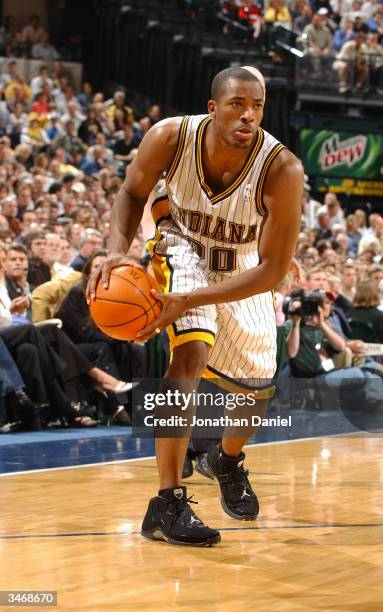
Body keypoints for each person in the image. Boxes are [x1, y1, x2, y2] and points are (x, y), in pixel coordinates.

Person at [87, 66, 303, 547]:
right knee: (188, 356)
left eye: (257, 106)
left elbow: (271, 271)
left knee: (256, 393)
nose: (248, 115)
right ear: (213, 108)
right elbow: (131, 193)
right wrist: (117, 250)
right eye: (237, 104)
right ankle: (167, 501)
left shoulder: (282, 169)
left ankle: (225, 459)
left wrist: (191, 297)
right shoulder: (169, 137)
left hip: (245, 271)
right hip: (181, 246)